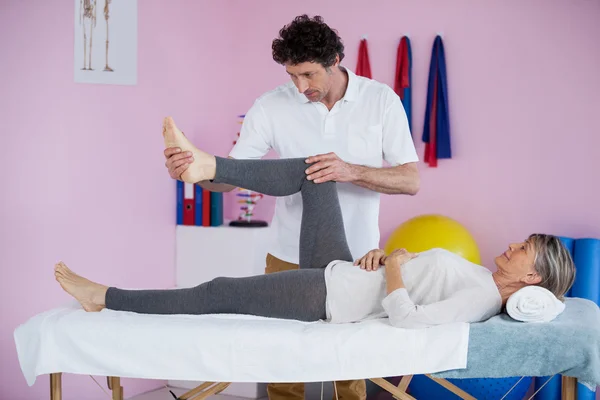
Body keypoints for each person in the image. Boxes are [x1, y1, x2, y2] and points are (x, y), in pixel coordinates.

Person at [57, 116, 576, 336]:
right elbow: (415, 280)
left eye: (525, 248)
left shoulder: (484, 299)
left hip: (326, 295)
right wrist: (391, 261)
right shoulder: (481, 278)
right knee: (318, 170)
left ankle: (105, 296)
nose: (513, 244)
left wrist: (394, 266)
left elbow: (411, 323)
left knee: (216, 290)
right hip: (347, 270)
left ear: (533, 278)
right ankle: (206, 167)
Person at [163, 15, 420, 399]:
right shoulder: (270, 106)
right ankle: (201, 161)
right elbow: (234, 177)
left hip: (358, 259)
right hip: (287, 255)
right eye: (292, 75)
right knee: (282, 366)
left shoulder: (381, 100)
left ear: (334, 60)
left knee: (346, 371)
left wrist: (348, 170)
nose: (300, 86)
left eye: (308, 75)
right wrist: (193, 175)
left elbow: (410, 180)